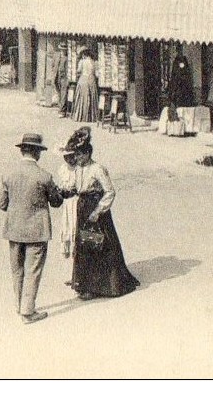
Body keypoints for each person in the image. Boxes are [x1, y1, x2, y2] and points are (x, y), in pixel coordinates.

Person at [56, 128, 139, 300]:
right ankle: (84, 283)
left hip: (95, 209)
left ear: (87, 153)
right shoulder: (79, 168)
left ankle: (102, 285)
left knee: (98, 245)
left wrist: (98, 211)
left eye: (79, 155)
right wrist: (68, 191)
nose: (76, 158)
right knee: (84, 246)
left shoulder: (98, 169)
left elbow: (110, 192)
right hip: (82, 207)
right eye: (75, 155)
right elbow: (78, 188)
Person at [0, 133, 63, 324]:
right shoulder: (44, 177)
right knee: (32, 270)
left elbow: (1, 204)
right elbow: (56, 202)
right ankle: (28, 311)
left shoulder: (8, 175)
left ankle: (19, 306)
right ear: (36, 152)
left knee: (17, 270)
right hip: (36, 231)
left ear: (22, 150)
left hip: (14, 230)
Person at [69, 49, 100, 122]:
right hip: (91, 81)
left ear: (84, 55)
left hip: (83, 80)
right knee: (91, 98)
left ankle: (81, 116)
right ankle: (90, 117)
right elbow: (97, 74)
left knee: (82, 99)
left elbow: (79, 70)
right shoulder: (95, 62)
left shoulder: (82, 62)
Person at [54, 43, 71, 117]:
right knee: (60, 93)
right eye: (61, 50)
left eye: (63, 50)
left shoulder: (66, 59)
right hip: (58, 77)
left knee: (63, 94)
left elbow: (67, 70)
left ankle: (62, 111)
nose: (62, 51)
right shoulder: (59, 58)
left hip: (64, 78)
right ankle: (60, 108)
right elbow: (55, 66)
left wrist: (67, 80)